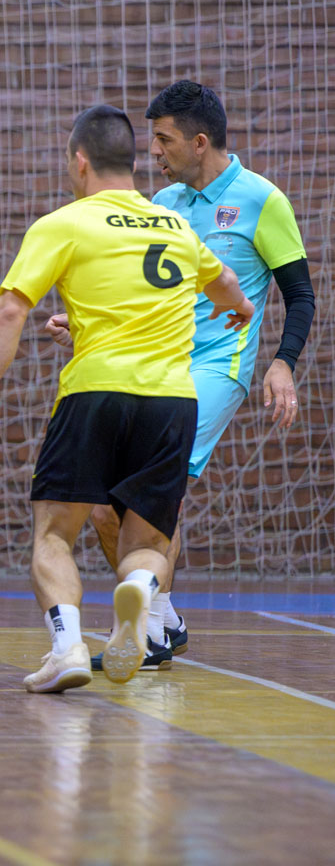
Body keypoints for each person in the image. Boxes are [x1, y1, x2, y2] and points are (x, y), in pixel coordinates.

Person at [0, 104, 252, 694]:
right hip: (172, 401)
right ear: (134, 162)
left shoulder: (65, 223)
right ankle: (140, 590)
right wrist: (240, 310)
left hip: (95, 393)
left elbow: (11, 310)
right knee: (147, 543)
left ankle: (67, 646)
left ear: (80, 161)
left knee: (53, 534)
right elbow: (226, 285)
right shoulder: (175, 226)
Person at [43, 81, 314, 670]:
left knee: (147, 495)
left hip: (217, 368)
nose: (153, 152)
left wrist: (282, 363)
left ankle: (147, 628)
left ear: (199, 142)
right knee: (104, 508)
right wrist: (84, 326)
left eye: (164, 140)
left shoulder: (262, 200)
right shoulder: (163, 202)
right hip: (156, 362)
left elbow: (301, 295)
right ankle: (162, 619)